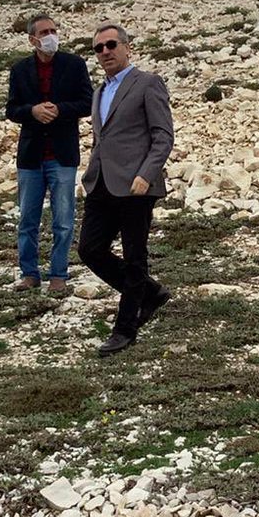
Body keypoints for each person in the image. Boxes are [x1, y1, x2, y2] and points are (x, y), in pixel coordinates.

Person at [78, 24, 175, 357]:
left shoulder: (147, 83)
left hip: (136, 185)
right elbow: (101, 139)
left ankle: (125, 329)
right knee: (90, 250)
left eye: (111, 45)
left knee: (135, 256)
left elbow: (163, 135)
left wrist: (146, 174)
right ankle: (151, 293)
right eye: (98, 48)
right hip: (101, 183)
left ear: (127, 47)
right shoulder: (99, 92)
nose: (105, 52)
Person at [5, 14, 94, 293]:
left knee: (64, 220)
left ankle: (58, 274)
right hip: (31, 156)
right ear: (32, 39)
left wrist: (60, 109)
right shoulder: (20, 70)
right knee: (27, 220)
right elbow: (11, 109)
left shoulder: (74, 64)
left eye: (54, 30)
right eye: (44, 32)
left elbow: (87, 102)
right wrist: (32, 111)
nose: (51, 36)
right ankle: (29, 273)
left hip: (62, 154)